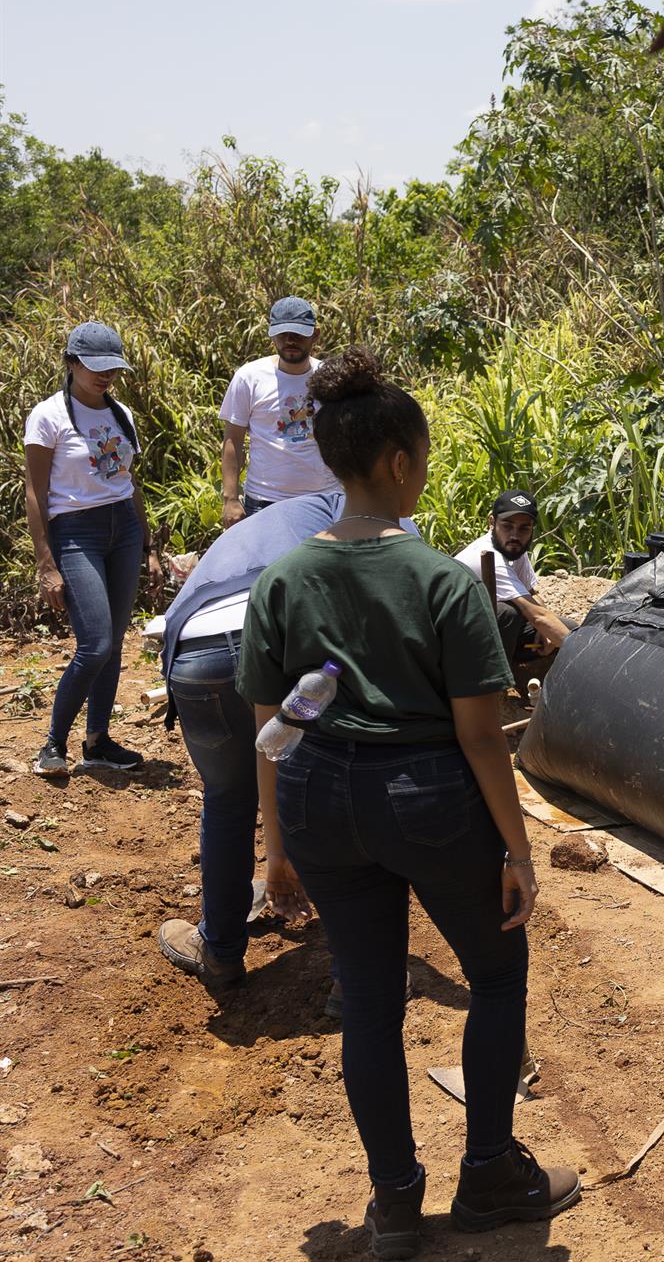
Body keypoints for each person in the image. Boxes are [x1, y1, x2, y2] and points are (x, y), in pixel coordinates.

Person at [235, 346, 577, 1255]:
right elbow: (478, 737)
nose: (423, 471)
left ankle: (393, 1204)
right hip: (425, 797)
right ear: (397, 463)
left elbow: (272, 730)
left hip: (318, 799)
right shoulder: (441, 582)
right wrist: (518, 850)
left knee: (371, 1001)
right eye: (422, 457)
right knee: (497, 976)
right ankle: (490, 1175)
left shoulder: (281, 580)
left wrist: (276, 851)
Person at [153, 492, 414, 1008]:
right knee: (328, 790)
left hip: (195, 650)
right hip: (278, 637)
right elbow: (409, 591)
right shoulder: (366, 505)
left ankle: (220, 948)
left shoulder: (277, 520)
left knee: (227, 798)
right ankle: (356, 973)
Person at [24, 322, 164, 778]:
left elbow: (129, 482)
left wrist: (149, 545)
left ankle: (98, 741)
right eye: (95, 368)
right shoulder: (48, 417)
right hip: (75, 532)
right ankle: (53, 743)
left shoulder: (119, 412)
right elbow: (34, 492)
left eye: (112, 369)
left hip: (122, 528)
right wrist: (45, 563)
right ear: (71, 363)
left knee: (115, 644)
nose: (105, 377)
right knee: (96, 643)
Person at [218, 297, 338, 526]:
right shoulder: (249, 377)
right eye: (283, 334)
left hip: (324, 499)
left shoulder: (330, 377)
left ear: (316, 334)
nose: (290, 341)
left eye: (298, 334)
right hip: (265, 501)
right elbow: (232, 439)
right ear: (271, 334)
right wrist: (231, 498)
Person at [454, 490, 574, 687]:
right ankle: (496, 684)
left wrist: (544, 633)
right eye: (507, 526)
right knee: (508, 613)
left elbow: (532, 593)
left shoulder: (514, 548)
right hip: (458, 645)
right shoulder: (487, 555)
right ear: (492, 522)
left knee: (566, 628)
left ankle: (523, 672)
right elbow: (536, 614)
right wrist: (584, 655)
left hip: (495, 634)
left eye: (523, 528)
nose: (515, 535)